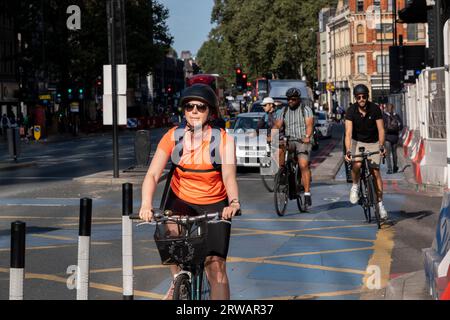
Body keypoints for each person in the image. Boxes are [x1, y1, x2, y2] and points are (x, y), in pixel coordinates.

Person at [139, 84, 240, 300]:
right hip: (181, 198)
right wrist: (146, 204)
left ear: (210, 112)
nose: (194, 111)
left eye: (200, 107)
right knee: (171, 238)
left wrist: (233, 203)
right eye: (189, 107)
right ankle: (178, 279)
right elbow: (153, 175)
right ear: (183, 111)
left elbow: (229, 176)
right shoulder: (173, 136)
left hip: (214, 201)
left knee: (215, 267)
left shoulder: (223, 140)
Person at [344, 84, 388, 220]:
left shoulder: (375, 109)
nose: (361, 99)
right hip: (357, 142)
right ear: (356, 98)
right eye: (359, 97)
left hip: (374, 142)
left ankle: (380, 205)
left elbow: (381, 130)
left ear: (367, 96)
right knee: (356, 165)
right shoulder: (351, 111)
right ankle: (356, 185)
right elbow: (348, 133)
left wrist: (381, 146)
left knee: (375, 172)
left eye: (364, 96)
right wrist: (348, 151)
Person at [273, 88, 314, 206]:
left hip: (303, 141)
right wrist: (272, 135)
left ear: (298, 99)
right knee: (280, 147)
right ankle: (282, 172)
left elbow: (309, 125)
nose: (290, 101)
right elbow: (277, 125)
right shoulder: (283, 111)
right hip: (289, 140)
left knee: (303, 164)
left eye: (293, 99)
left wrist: (307, 136)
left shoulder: (305, 110)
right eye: (288, 99)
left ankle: (307, 193)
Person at [257, 97, 285, 166]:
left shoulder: (279, 113)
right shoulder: (266, 115)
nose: (263, 107)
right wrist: (255, 133)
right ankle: (279, 173)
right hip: (272, 139)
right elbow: (259, 127)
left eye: (265, 105)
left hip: (282, 137)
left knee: (279, 157)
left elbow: (279, 126)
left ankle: (282, 170)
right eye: (262, 105)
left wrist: (271, 136)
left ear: (271, 105)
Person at [383, 103, 403, 174]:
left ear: (386, 108)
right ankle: (395, 167)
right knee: (394, 153)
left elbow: (382, 127)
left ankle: (389, 169)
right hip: (395, 137)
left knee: (388, 154)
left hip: (387, 137)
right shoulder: (396, 115)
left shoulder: (384, 116)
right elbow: (401, 126)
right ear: (393, 108)